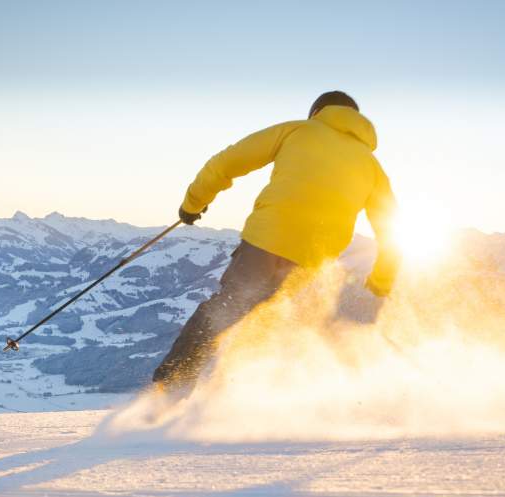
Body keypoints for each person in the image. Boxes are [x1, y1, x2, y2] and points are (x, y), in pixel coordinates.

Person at [152, 91, 400, 394]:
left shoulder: (298, 130)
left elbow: (227, 162)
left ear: (318, 111)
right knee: (267, 323)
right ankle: (247, 393)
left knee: (226, 309)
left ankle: (173, 386)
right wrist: (382, 281)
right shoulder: (373, 167)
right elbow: (391, 231)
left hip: (266, 241)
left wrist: (193, 203)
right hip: (311, 260)